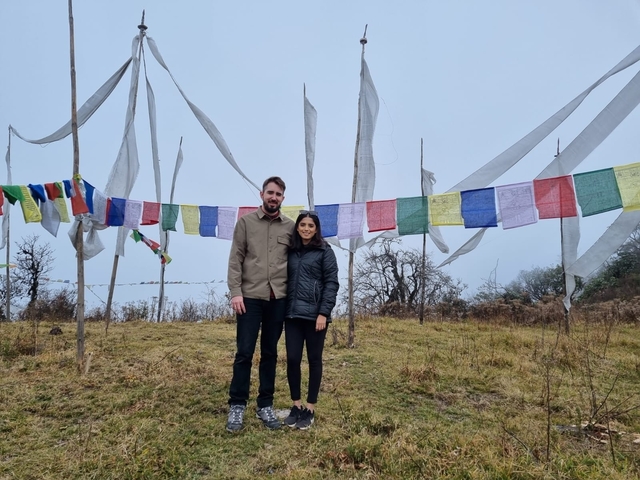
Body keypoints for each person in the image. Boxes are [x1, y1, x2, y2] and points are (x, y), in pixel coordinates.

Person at [226, 176, 294, 433]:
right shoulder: (245, 224)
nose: (273, 197)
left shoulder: (290, 227)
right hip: (249, 298)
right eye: (270, 192)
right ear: (261, 194)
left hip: (278, 299)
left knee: (270, 353)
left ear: (283, 198)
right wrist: (235, 292)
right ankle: (237, 405)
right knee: (244, 352)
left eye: (278, 194)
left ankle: (265, 404)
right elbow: (235, 259)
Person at [283, 211, 339, 430]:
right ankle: (296, 405)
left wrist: (324, 313)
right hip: (292, 315)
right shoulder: (290, 251)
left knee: (314, 360)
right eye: (303, 225)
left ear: (316, 229)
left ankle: (310, 408)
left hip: (316, 317)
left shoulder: (325, 251)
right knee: (293, 359)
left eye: (311, 226)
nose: (306, 229)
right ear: (297, 227)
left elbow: (331, 283)